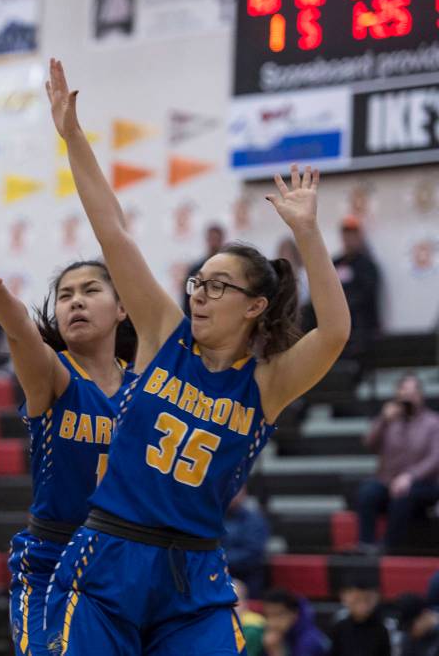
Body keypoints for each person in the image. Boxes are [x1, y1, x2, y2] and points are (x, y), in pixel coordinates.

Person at [43, 58, 350, 655]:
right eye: (197, 282)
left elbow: (335, 332)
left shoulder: (267, 382)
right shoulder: (165, 333)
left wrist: (309, 234)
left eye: (217, 286)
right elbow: (112, 230)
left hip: (195, 572)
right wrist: (73, 137)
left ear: (255, 305)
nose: (199, 294)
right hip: (109, 555)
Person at [0, 244, 135, 655]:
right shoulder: (54, 374)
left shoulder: (145, 389)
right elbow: (21, 331)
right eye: (65, 295)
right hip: (53, 560)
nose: (76, 301)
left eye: (90, 290)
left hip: (125, 561)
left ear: (122, 308)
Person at [357, 373, 439, 552]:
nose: (408, 397)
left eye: (412, 393)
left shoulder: (433, 422)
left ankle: (389, 546)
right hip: (388, 481)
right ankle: (366, 544)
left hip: (423, 483)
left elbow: (435, 458)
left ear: (421, 395)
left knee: (402, 496)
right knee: (367, 493)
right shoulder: (389, 420)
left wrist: (410, 476)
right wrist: (382, 420)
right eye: (404, 393)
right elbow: (369, 444)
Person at [332, 215, 381, 369]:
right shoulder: (335, 263)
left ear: (359, 236)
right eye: (346, 234)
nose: (349, 238)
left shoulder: (368, 266)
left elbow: (367, 295)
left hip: (362, 333)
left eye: (353, 234)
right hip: (338, 331)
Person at [223, 486, 270, 598]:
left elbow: (253, 553)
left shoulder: (255, 520)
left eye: (236, 490)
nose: (231, 494)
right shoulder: (212, 518)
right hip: (215, 572)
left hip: (244, 577)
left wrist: (221, 560)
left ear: (244, 494)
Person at [327, 575, 390, 656]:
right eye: (357, 599)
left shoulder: (381, 630)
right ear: (344, 598)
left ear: (375, 598)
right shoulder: (339, 628)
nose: (362, 605)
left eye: (366, 599)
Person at [262, 588, 329, 656]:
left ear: (294, 614)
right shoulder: (269, 635)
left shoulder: (309, 641)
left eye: (278, 615)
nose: (272, 622)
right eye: (267, 615)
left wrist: (276, 652)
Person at [182, 223, 227, 316]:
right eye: (212, 239)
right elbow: (187, 299)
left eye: (217, 239)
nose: (214, 243)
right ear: (207, 240)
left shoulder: (229, 270)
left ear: (222, 240)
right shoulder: (195, 270)